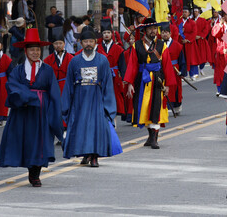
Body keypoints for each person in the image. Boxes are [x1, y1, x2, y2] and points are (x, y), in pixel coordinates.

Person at [0, 28, 63, 187]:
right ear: (26, 51)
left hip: (41, 111)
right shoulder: (18, 69)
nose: (35, 53)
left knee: (40, 142)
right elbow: (12, 85)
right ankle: (29, 168)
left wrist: (57, 111)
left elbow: (54, 91)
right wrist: (27, 97)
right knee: (25, 141)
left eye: (38, 50)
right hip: (23, 111)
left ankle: (35, 173)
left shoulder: (47, 69)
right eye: (32, 50)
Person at [62, 26, 121, 167]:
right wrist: (66, 105)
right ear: (80, 43)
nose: (88, 44)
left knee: (96, 128)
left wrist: (108, 107)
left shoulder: (102, 60)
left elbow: (107, 84)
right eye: (85, 41)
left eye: (91, 41)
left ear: (95, 42)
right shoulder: (74, 61)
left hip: (97, 98)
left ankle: (94, 156)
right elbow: (69, 84)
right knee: (80, 127)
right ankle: (84, 153)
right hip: (79, 99)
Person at [124, 18, 176, 149]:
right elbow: (132, 65)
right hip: (141, 81)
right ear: (144, 31)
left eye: (155, 28)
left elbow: (167, 66)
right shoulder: (137, 45)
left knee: (156, 107)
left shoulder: (162, 45)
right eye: (150, 29)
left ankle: (154, 138)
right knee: (144, 107)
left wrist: (168, 84)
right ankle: (150, 135)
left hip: (158, 80)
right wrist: (129, 83)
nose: (153, 31)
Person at [97, 20, 127, 123]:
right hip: (101, 77)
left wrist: (124, 79)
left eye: (108, 33)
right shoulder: (97, 48)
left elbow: (122, 65)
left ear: (112, 34)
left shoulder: (118, 49)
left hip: (114, 78)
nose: (106, 35)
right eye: (104, 33)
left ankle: (113, 122)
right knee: (101, 98)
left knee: (114, 98)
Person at [160, 24, 185, 115]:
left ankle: (177, 106)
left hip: (175, 70)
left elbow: (182, 60)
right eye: (162, 33)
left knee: (176, 88)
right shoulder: (158, 45)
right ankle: (165, 106)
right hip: (163, 70)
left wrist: (182, 71)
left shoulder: (177, 45)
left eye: (166, 32)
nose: (165, 34)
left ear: (170, 33)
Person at [212, 12, 227, 98]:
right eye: (224, 15)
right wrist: (220, 25)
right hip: (221, 50)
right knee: (220, 72)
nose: (226, 17)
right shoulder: (218, 25)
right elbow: (215, 34)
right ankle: (220, 89)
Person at [177, 6, 200, 80]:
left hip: (190, 43)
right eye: (183, 12)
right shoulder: (179, 22)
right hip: (181, 43)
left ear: (189, 13)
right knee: (183, 59)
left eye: (185, 12)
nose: (184, 13)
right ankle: (184, 74)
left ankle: (192, 74)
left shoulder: (192, 22)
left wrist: (187, 40)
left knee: (192, 59)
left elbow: (194, 32)